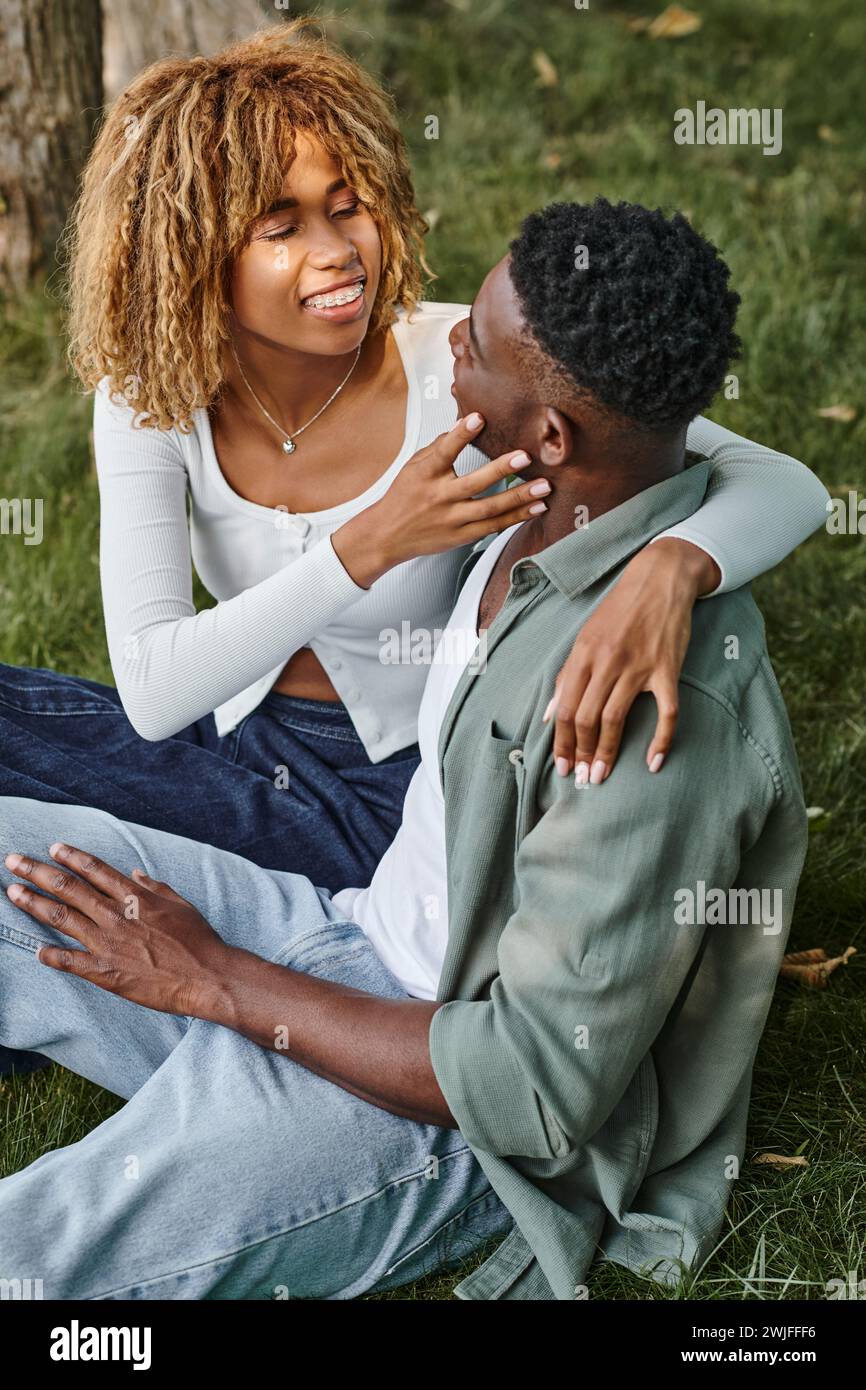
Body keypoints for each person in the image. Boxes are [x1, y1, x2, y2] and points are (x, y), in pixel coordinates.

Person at [0, 199, 810, 1300]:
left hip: (446, 1113)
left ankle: (223, 1110)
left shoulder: (643, 707)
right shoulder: (539, 493)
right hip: (347, 943)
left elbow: (531, 1088)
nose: (440, 353)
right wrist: (678, 559)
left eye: (466, 350)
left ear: (552, 432)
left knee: (36, 1246)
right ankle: (213, 1084)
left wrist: (222, 981)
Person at [0, 20, 827, 895]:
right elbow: (157, 690)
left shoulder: (465, 373)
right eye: (282, 227)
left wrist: (674, 566)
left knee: (35, 833)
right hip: (227, 735)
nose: (338, 251)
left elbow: (787, 484)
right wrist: (371, 544)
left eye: (348, 205)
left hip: (389, 793)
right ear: (188, 257)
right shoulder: (151, 395)